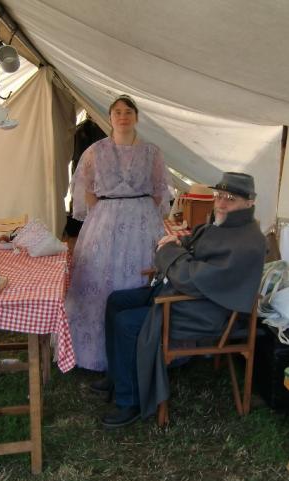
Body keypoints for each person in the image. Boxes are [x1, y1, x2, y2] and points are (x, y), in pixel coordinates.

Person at [98, 172, 266, 428]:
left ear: (249, 202)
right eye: (218, 195)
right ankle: (117, 375)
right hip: (184, 295)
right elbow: (195, 243)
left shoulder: (248, 242)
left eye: (230, 199)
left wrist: (168, 251)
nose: (220, 203)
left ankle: (128, 400)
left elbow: (190, 278)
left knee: (127, 323)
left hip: (206, 312)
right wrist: (177, 241)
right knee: (116, 301)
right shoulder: (222, 224)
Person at [65, 95, 171, 371]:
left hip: (142, 225)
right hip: (105, 224)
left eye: (128, 112)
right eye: (117, 112)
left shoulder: (152, 152)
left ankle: (140, 352)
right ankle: (95, 354)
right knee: (100, 283)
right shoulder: (95, 151)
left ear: (136, 116)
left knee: (139, 280)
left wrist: (143, 218)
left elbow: (161, 192)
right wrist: (105, 216)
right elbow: (84, 190)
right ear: (110, 117)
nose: (123, 117)